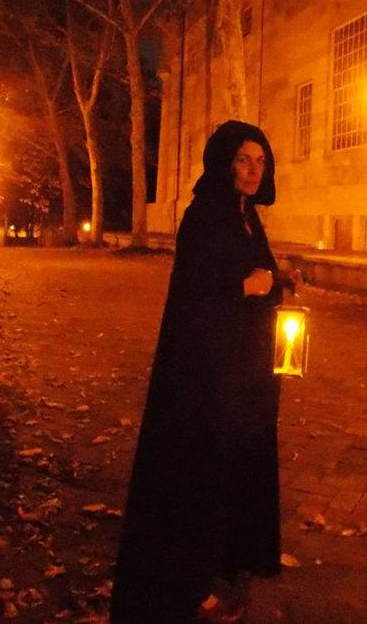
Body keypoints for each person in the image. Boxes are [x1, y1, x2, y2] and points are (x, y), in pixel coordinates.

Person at [110, 120, 301, 624]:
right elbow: (196, 292)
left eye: (260, 161)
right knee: (201, 472)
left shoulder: (245, 215)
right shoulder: (204, 216)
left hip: (243, 372)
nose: (253, 170)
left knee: (231, 467)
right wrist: (248, 286)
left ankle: (224, 556)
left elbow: (247, 275)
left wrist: (279, 279)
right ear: (223, 162)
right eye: (243, 159)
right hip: (207, 374)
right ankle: (188, 586)